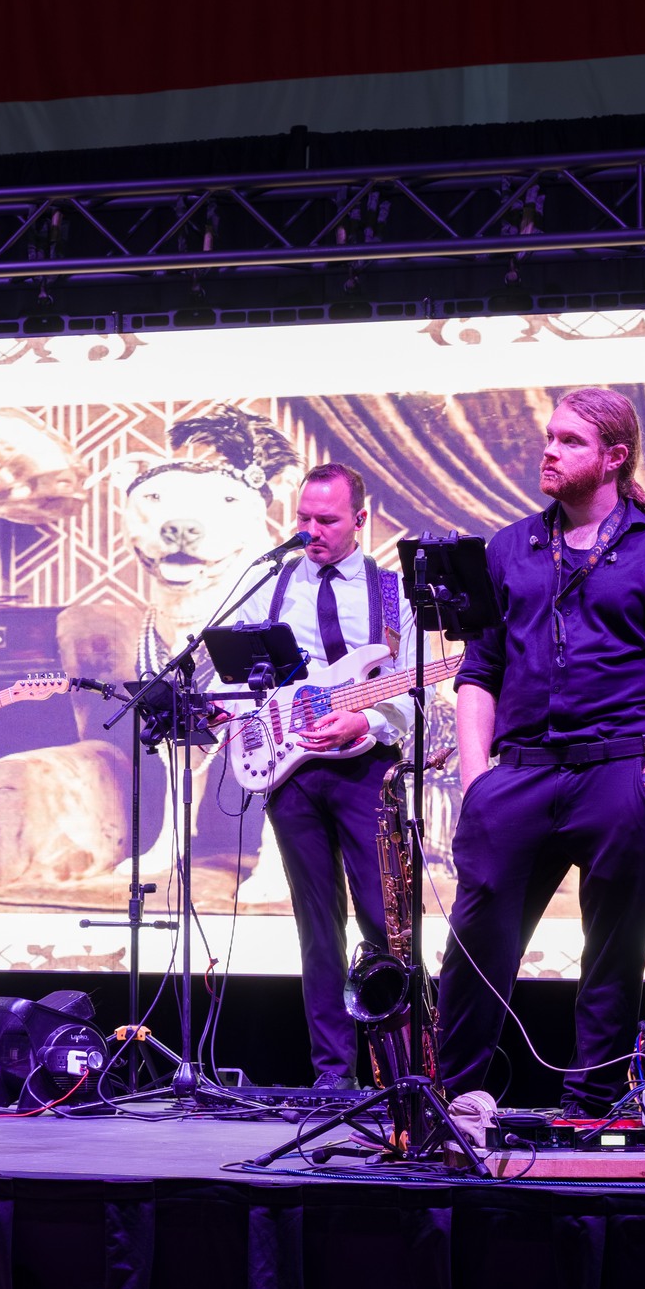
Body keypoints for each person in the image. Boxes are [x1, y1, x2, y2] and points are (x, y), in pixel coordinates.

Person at [435, 387, 645, 1115]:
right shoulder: (509, 549)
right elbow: (478, 673)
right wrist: (477, 781)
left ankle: (591, 1106)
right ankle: (454, 1100)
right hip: (519, 775)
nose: (550, 451)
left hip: (617, 772)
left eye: (570, 441)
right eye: (549, 437)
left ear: (614, 457)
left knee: (614, 954)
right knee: (477, 944)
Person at [220, 463, 418, 1088]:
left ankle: (400, 1077)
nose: (311, 530)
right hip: (293, 771)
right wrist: (229, 710)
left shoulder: (392, 594)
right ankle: (333, 1076)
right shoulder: (270, 585)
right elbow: (226, 672)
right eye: (303, 517)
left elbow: (413, 692)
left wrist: (365, 721)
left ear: (360, 520)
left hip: (367, 770)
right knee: (317, 927)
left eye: (326, 520)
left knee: (385, 922)